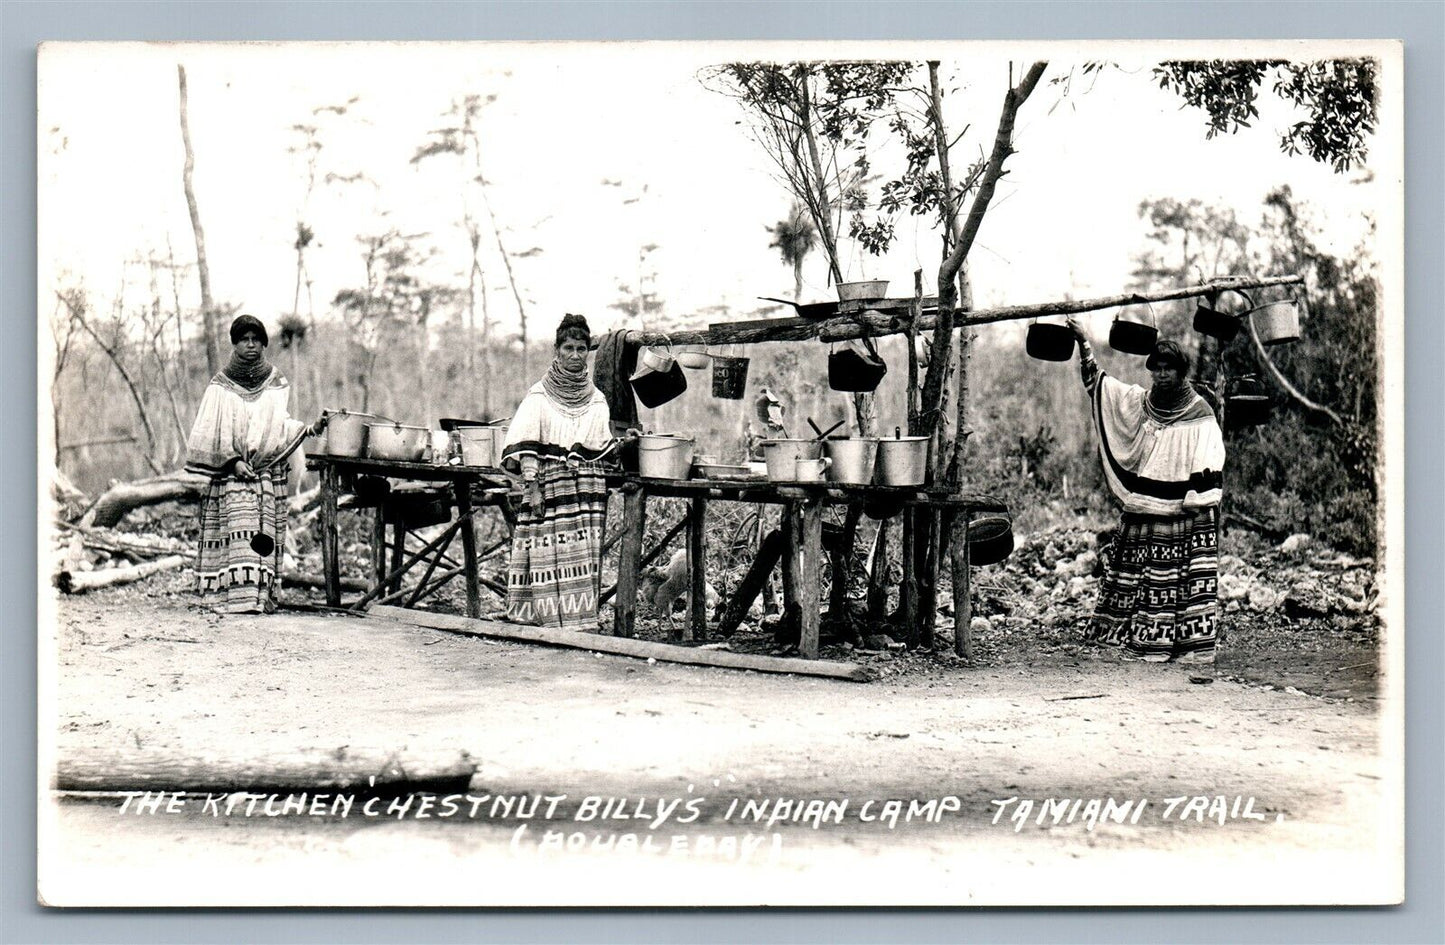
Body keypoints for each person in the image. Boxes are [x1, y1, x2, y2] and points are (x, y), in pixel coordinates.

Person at [1069, 320, 1225, 664]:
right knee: (1139, 575)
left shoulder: (1200, 413)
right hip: (1145, 506)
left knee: (1180, 579)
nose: (1162, 375)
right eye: (1157, 369)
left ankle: (1186, 646)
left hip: (1184, 510)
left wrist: (1198, 499)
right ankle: (1136, 637)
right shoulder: (1142, 404)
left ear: (1182, 372)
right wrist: (1084, 343)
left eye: (1170, 369)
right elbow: (1101, 386)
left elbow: (1211, 453)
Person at [185, 315, 327, 614]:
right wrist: (233, 461)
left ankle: (259, 599)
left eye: (255, 339)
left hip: (266, 474)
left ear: (263, 343)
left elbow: (279, 424)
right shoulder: (220, 385)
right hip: (232, 476)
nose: (250, 345)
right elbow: (212, 429)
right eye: (243, 340)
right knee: (237, 535)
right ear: (234, 345)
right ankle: (228, 598)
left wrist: (309, 429)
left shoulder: (276, 381)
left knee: (262, 540)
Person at [500, 314, 617, 630]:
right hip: (550, 485)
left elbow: (599, 445)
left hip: (588, 488)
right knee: (545, 554)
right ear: (557, 351)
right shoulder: (539, 395)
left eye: (582, 349)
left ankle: (580, 619)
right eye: (569, 348)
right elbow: (527, 444)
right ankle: (548, 618)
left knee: (583, 553)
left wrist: (623, 446)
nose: (576, 355)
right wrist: (532, 486)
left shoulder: (597, 399)